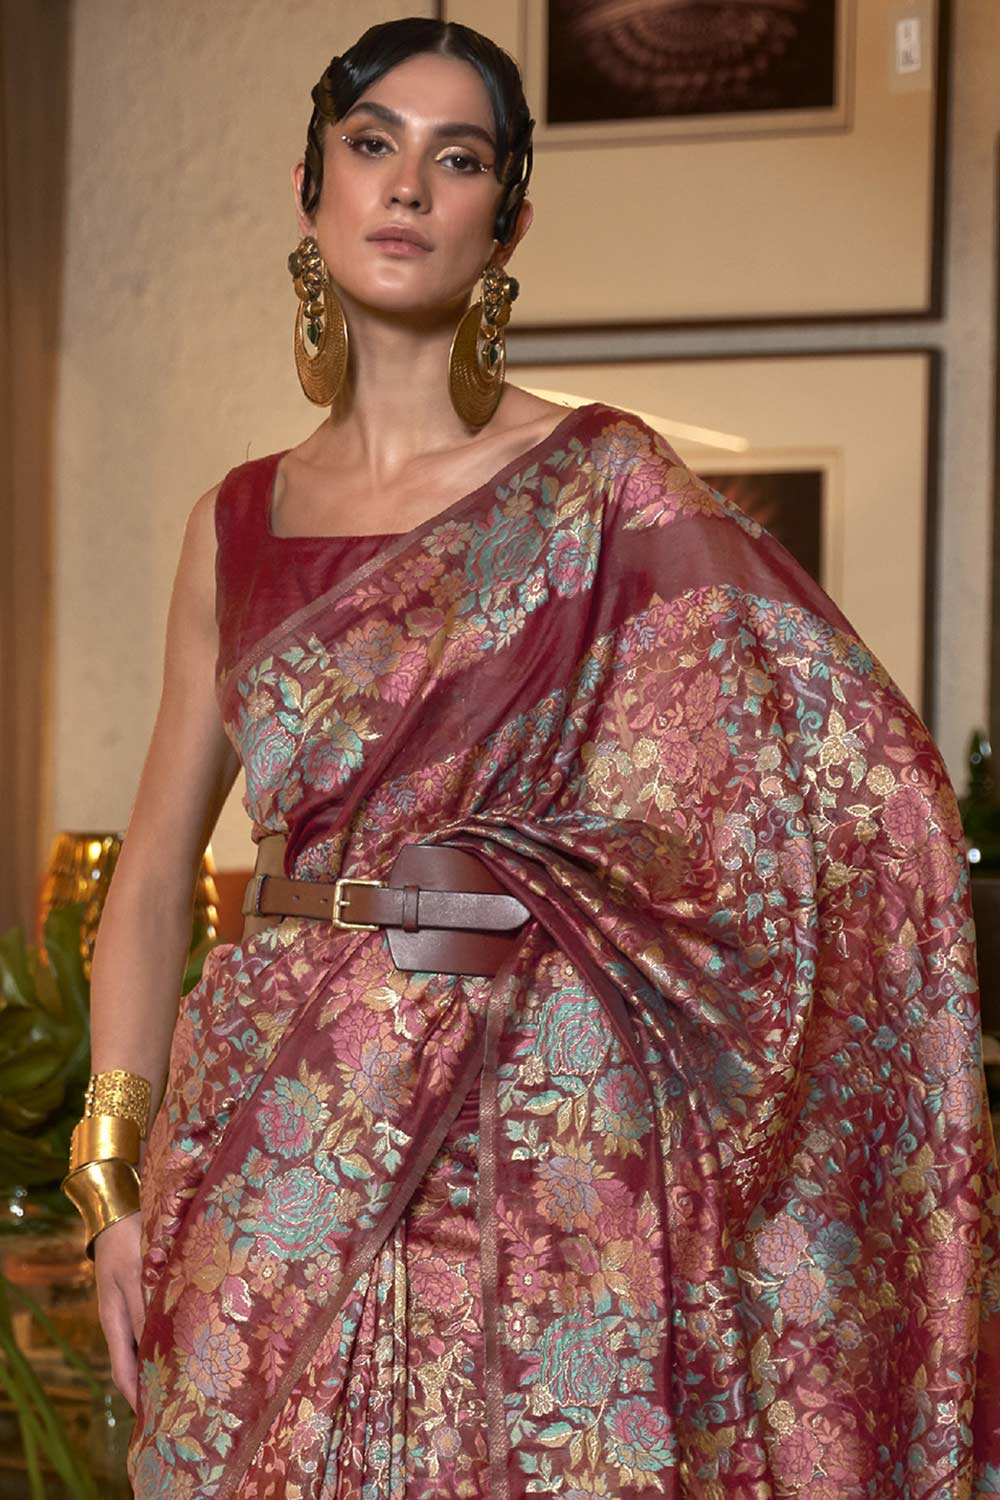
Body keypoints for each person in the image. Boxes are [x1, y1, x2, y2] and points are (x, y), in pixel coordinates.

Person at [59, 16, 1000, 1499]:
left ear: (509, 221)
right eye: (372, 145)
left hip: (532, 1144)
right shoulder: (231, 524)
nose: (407, 187)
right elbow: (158, 870)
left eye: (459, 159)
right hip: (270, 1126)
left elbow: (851, 780)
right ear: (310, 187)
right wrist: (111, 1168)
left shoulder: (602, 484)